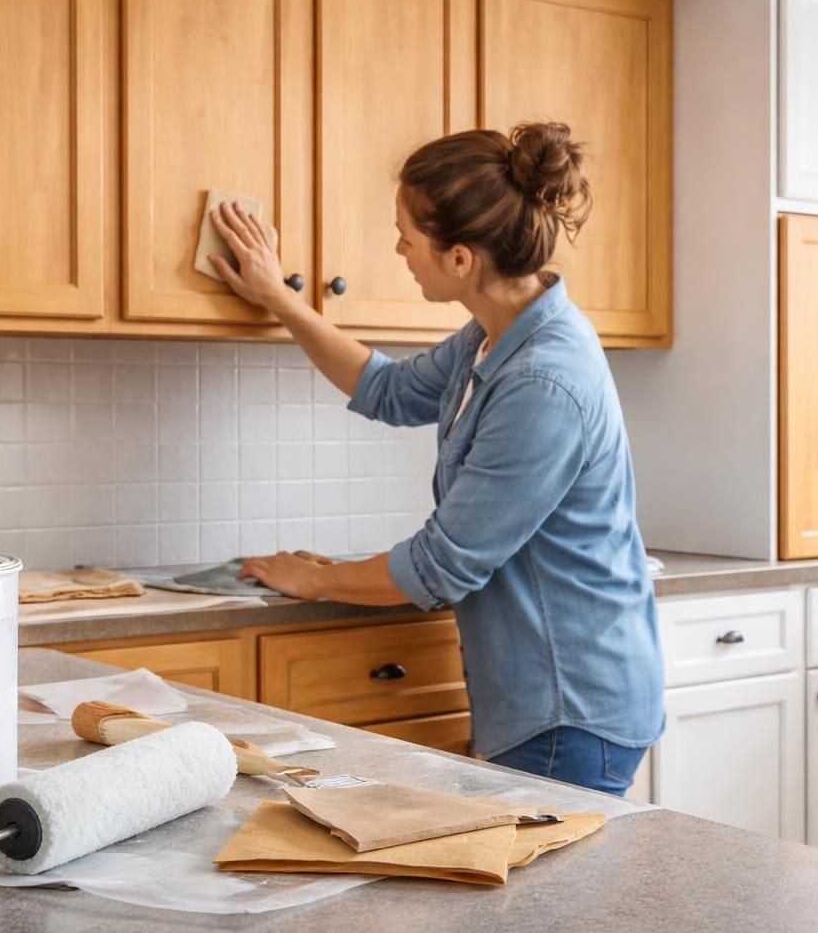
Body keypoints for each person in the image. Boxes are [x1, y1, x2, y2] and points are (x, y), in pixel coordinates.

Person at [206, 122, 664, 796]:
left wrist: (314, 579)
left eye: (406, 235)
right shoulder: (496, 335)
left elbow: (441, 566)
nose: (397, 249)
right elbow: (388, 390)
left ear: (459, 259)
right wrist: (279, 298)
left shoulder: (544, 379)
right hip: (547, 700)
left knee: (546, 904)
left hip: (570, 707)